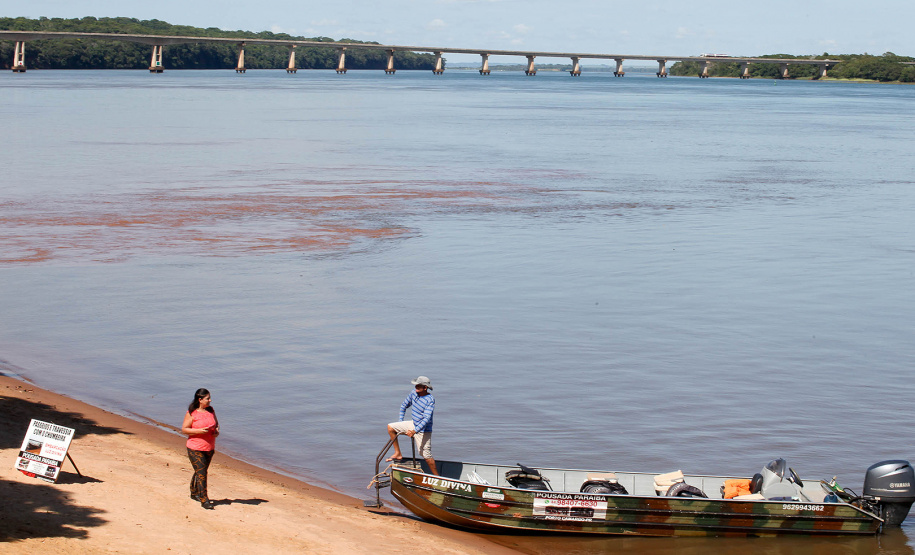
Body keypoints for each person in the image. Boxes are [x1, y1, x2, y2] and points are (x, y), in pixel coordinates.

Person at [386, 376, 438, 475]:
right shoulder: (413, 393)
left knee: (425, 455)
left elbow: (426, 419)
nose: (416, 388)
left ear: (425, 388)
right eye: (416, 385)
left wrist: (415, 431)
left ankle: (437, 477)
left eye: (418, 386)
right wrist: (400, 422)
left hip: (423, 429)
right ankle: (398, 453)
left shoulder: (430, 400)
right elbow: (403, 406)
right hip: (413, 423)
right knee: (391, 427)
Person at [181, 388, 219, 510]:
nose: (210, 400)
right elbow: (184, 429)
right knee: (202, 473)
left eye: (209, 398)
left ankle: (194, 492)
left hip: (209, 447)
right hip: (195, 447)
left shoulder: (211, 410)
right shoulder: (192, 413)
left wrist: (216, 432)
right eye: (207, 398)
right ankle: (205, 500)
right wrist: (199, 431)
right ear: (200, 400)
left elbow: (216, 424)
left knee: (200, 471)